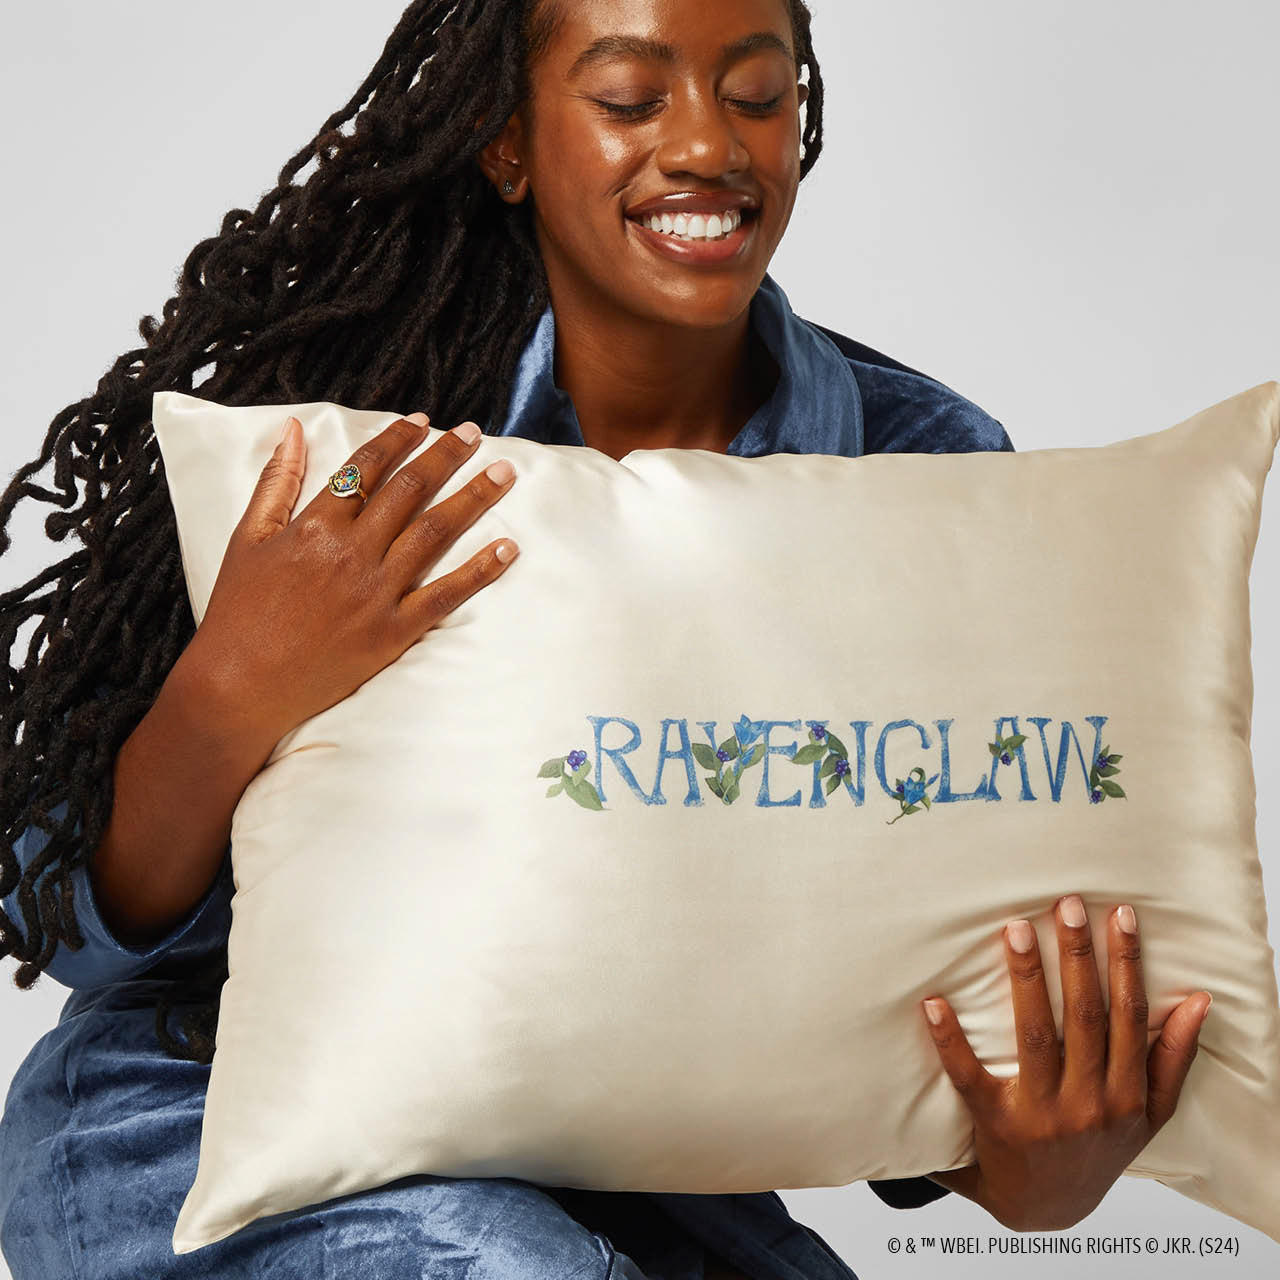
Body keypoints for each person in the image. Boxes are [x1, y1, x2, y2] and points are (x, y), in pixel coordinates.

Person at [0, 0, 1212, 1277]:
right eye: (631, 98)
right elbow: (63, 917)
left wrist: (1011, 1168)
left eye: (755, 94)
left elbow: (889, 968)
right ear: (505, 139)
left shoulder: (921, 468)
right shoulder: (341, 428)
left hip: (629, 1177)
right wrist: (233, 686)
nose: (706, 147)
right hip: (204, 1117)